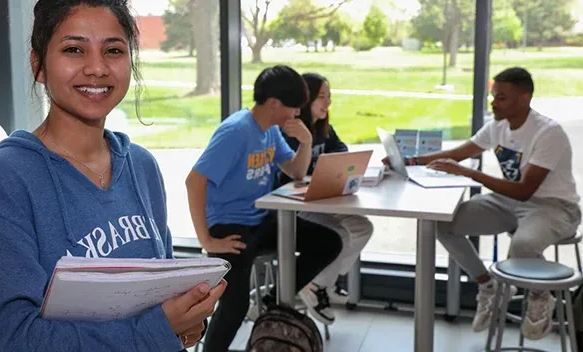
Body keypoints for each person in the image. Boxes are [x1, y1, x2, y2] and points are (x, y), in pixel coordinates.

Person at [0, 0, 224, 352]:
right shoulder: (6, 181)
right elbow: (7, 341)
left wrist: (186, 322)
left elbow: (159, 297)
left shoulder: (142, 168)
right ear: (39, 66)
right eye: (73, 49)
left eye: (113, 50)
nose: (97, 68)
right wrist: (156, 329)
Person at [385, 67, 581, 339]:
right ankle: (487, 285)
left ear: (524, 99)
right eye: (493, 96)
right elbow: (458, 153)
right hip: (508, 201)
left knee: (523, 244)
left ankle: (541, 297)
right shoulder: (498, 126)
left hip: (553, 206)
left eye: (501, 98)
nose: (494, 102)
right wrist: (409, 161)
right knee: (444, 225)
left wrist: (469, 173)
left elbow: (525, 191)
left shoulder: (548, 132)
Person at [185, 65, 343, 352]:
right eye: (293, 109)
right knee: (235, 305)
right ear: (273, 104)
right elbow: (194, 181)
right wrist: (206, 240)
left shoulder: (270, 131)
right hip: (229, 226)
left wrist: (306, 141)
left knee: (329, 241)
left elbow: (295, 171)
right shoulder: (236, 131)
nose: (295, 115)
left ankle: (274, 300)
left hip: (261, 219)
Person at [278, 72, 374, 325]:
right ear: (306, 98)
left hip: (320, 198)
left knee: (363, 227)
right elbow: (292, 171)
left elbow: (341, 151)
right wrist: (319, 168)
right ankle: (316, 286)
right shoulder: (291, 129)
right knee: (340, 233)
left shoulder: (324, 128)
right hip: (292, 206)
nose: (328, 103)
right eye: (322, 97)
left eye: (330, 96)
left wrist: (327, 168)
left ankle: (320, 281)